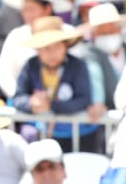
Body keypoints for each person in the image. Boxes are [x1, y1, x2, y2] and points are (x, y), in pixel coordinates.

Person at [12, 18, 98, 153]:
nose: (52, 53)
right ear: (38, 50)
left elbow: (84, 100)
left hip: (73, 135)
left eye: (56, 46)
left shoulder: (77, 66)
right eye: (46, 48)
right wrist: (31, 103)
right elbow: (18, 98)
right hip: (39, 135)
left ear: (65, 46)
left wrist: (51, 106)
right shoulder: (30, 66)